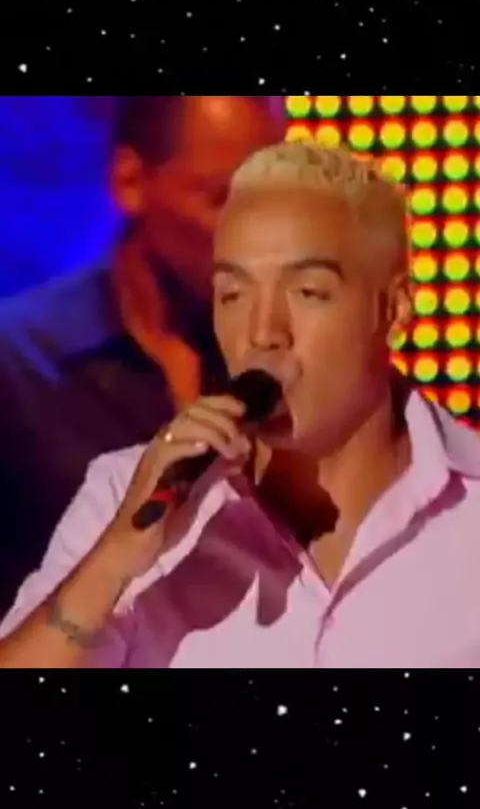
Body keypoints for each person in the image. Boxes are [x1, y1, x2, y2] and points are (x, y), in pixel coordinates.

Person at [2, 140, 480, 669]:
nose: (262, 332)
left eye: (308, 292)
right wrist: (113, 562)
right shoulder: (126, 497)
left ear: (392, 309)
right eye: (232, 294)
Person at [0, 96, 282, 615]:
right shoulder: (18, 363)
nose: (256, 235)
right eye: (222, 199)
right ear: (130, 181)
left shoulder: (283, 360)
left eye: (270, 204)